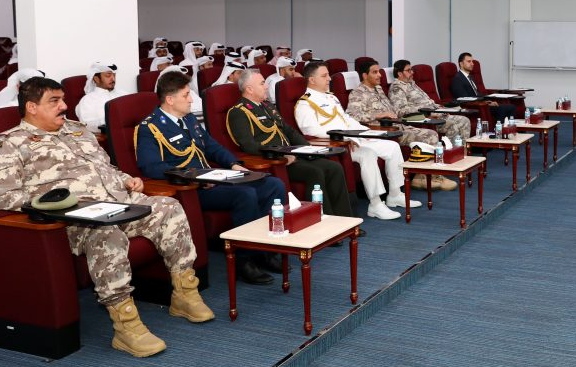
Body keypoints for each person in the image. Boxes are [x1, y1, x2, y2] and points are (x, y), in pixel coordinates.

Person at [0, 77, 214, 358]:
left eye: (63, 99)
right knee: (106, 233)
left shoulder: (77, 130)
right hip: (75, 221)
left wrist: (126, 179)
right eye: (54, 101)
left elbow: (106, 168)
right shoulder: (9, 144)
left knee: (168, 207)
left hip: (118, 203)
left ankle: (184, 294)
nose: (64, 106)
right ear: (31, 107)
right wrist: (51, 205)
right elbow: (0, 197)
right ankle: (126, 325)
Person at [135, 70, 285, 284]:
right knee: (245, 195)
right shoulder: (150, 127)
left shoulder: (188, 119)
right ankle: (245, 260)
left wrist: (234, 164)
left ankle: (266, 251)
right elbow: (151, 167)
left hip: (214, 178)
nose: (191, 99)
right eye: (186, 95)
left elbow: (213, 147)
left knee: (273, 185)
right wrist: (195, 177)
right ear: (170, 99)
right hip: (192, 189)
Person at [227, 69, 359, 227]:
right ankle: (323, 223)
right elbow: (248, 145)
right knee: (315, 172)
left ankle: (345, 221)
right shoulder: (239, 112)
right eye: (262, 83)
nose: (266, 86)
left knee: (334, 167)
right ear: (249, 89)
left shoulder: (267, 106)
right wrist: (280, 155)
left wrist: (308, 148)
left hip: (292, 154)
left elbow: (289, 130)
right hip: (276, 161)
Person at [294, 60, 412, 220]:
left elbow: (346, 119)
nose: (329, 78)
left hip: (354, 138)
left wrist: (366, 132)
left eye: (328, 75)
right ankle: (376, 204)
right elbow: (310, 131)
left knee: (392, 147)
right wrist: (344, 137)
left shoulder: (331, 97)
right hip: (337, 145)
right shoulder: (305, 103)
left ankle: (395, 194)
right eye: (324, 76)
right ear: (312, 80)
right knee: (368, 154)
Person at [347, 59, 455, 191]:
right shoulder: (357, 93)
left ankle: (425, 176)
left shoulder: (378, 89)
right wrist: (378, 115)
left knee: (431, 133)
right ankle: (426, 177)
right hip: (384, 131)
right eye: (375, 72)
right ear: (365, 75)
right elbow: (352, 116)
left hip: (399, 126)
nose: (379, 75)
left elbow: (394, 111)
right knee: (429, 135)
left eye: (379, 72)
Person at [389, 59, 471, 141]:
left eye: (412, 70)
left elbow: (428, 101)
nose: (412, 72)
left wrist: (441, 108)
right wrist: (425, 110)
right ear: (399, 73)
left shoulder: (412, 84)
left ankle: (462, 148)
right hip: (423, 118)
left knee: (464, 119)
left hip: (434, 113)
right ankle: (451, 148)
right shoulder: (397, 88)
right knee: (457, 123)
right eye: (408, 70)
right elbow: (401, 111)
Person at [450, 52, 515, 122]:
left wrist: (489, 102)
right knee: (503, 109)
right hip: (474, 107)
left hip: (482, 104)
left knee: (511, 107)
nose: (472, 64)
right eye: (469, 61)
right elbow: (464, 99)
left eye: (472, 61)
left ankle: (507, 128)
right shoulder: (457, 79)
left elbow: (477, 94)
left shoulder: (470, 77)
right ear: (461, 64)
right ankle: (499, 128)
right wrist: (485, 103)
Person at [76, 61, 127, 132]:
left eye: (114, 75)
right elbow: (87, 125)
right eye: (108, 75)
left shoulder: (124, 94)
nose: (113, 79)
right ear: (96, 79)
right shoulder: (87, 100)